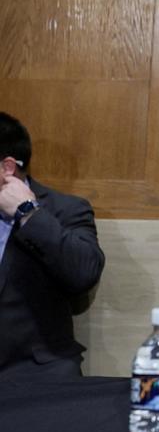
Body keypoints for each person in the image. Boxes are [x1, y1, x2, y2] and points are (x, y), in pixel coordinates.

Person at [0, 112, 105, 379]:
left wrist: (28, 213)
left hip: (35, 373)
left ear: (7, 168)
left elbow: (83, 274)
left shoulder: (64, 210)